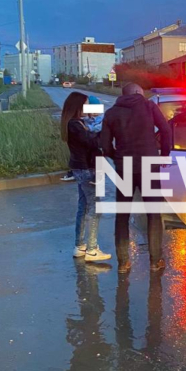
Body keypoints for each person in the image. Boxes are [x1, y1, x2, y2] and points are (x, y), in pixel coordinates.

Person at [100, 82, 172, 274]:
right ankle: (155, 260)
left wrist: (116, 156)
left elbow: (104, 145)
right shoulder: (149, 106)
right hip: (149, 164)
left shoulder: (112, 113)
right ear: (139, 93)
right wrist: (165, 154)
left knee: (122, 215)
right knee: (153, 213)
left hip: (124, 167)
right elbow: (165, 130)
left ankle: (123, 262)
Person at [61, 91, 111, 262]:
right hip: (87, 169)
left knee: (83, 207)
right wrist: (104, 132)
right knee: (95, 209)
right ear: (78, 106)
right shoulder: (75, 125)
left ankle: (80, 246)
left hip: (81, 168)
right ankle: (92, 249)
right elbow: (92, 142)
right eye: (87, 104)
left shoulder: (76, 123)